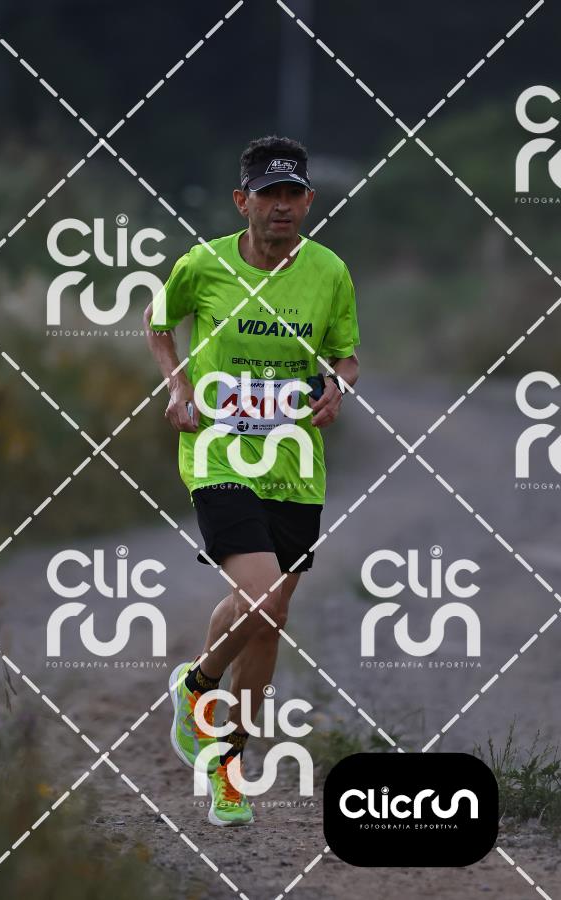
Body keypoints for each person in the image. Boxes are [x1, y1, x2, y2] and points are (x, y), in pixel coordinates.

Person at [144, 135, 360, 826]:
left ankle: (226, 766)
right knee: (263, 598)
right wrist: (178, 386)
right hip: (218, 453)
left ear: (309, 201)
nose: (282, 206)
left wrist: (337, 388)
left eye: (293, 194)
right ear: (243, 201)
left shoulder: (329, 271)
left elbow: (346, 357)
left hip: (294, 464)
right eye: (269, 195)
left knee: (268, 619)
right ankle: (197, 686)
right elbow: (157, 322)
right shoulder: (202, 265)